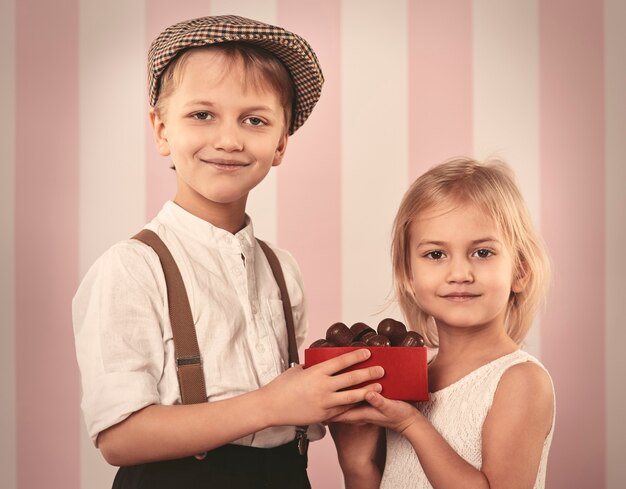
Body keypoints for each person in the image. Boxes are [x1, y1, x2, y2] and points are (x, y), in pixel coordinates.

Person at [72, 15, 383, 489]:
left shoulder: (283, 270)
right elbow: (119, 436)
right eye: (202, 115)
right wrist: (274, 404)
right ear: (161, 130)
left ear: (280, 143)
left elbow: (293, 410)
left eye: (254, 120)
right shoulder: (132, 267)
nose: (229, 139)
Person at [330, 157, 555, 489]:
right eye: (436, 255)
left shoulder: (520, 381)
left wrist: (412, 425)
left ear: (520, 271)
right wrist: (356, 461)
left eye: (482, 253)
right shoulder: (408, 381)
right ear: (408, 275)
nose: (460, 275)